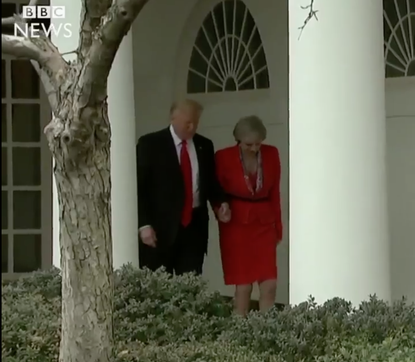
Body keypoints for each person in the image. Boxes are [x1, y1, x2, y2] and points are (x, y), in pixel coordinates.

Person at [136, 99, 230, 276]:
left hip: (194, 228)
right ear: (173, 118)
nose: (192, 127)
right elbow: (139, 188)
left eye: (196, 122)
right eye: (188, 122)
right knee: (159, 287)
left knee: (190, 283)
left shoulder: (204, 145)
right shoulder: (150, 144)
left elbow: (210, 182)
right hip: (159, 229)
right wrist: (143, 225)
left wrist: (220, 203)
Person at [214, 115, 283, 316]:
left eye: (258, 144)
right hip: (236, 224)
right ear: (238, 140)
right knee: (243, 287)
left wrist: (278, 227)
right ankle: (240, 335)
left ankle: (266, 333)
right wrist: (219, 208)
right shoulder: (223, 157)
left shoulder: (271, 154)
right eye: (248, 144)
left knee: (269, 284)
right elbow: (216, 191)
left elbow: (275, 193)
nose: (254, 148)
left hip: (263, 223)